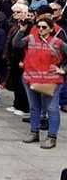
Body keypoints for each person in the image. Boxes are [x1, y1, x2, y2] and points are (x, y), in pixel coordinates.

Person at [18, 14, 66, 149]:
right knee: (34, 107)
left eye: (44, 27)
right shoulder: (31, 38)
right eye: (38, 26)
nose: (40, 29)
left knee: (51, 108)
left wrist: (63, 69)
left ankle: (52, 137)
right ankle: (34, 132)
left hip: (51, 81)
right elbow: (16, 44)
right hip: (31, 78)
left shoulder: (57, 43)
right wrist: (21, 30)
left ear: (51, 29)